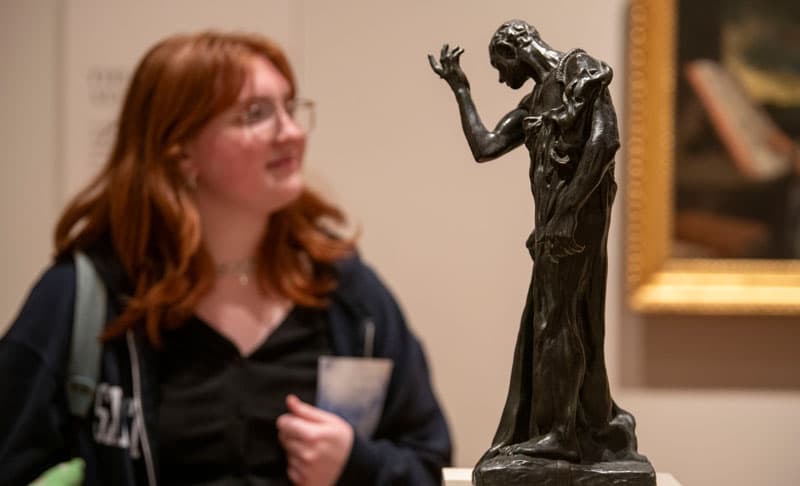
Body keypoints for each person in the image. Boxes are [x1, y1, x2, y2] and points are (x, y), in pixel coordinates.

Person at [0, 31, 451, 485]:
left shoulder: (346, 292)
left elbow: (427, 462)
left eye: (290, 108)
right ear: (180, 152)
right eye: (256, 114)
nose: (291, 132)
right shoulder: (82, 296)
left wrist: (356, 463)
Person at [429, 20, 644, 467]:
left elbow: (605, 143)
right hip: (554, 225)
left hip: (573, 222)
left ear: (515, 48)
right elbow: (485, 146)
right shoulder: (534, 101)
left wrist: (566, 212)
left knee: (556, 320)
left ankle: (561, 434)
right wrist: (461, 90)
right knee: (566, 319)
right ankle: (587, 423)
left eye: (499, 66)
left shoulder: (580, 71)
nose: (502, 78)